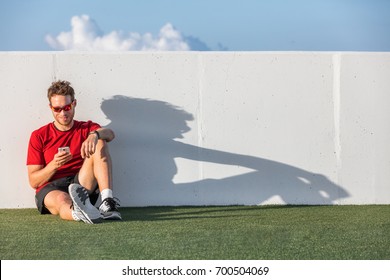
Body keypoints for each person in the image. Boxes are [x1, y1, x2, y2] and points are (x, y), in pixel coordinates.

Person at [27, 80, 121, 224]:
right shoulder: (39, 135)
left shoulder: (86, 128)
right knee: (62, 200)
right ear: (50, 107)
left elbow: (110, 134)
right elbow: (34, 181)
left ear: (74, 104)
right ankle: (80, 213)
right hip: (52, 187)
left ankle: (107, 203)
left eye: (67, 107)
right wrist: (54, 165)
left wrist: (94, 135)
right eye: (57, 109)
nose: (63, 113)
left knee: (100, 140)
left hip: (81, 183)